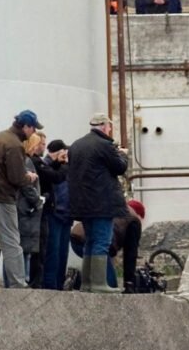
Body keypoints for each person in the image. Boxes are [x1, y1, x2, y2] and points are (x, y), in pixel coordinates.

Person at [0, 110, 42, 288]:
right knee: (11, 241)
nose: (34, 132)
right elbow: (16, 178)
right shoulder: (14, 145)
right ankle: (18, 283)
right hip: (2, 198)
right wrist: (29, 177)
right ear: (26, 126)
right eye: (33, 128)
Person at [68, 113, 128, 293]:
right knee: (102, 241)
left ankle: (87, 284)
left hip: (83, 203)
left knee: (90, 241)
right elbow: (120, 167)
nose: (110, 130)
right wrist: (122, 155)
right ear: (104, 126)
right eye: (109, 127)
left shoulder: (76, 145)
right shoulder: (104, 145)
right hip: (102, 202)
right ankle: (100, 284)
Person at [39, 139, 71, 290]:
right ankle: (50, 285)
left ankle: (58, 284)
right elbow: (55, 181)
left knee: (62, 253)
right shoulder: (46, 166)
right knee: (53, 252)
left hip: (66, 214)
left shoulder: (63, 168)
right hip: (55, 213)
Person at [18, 134, 45, 287]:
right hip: (26, 209)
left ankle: (23, 278)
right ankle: (23, 279)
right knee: (24, 247)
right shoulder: (27, 161)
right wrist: (37, 201)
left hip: (25, 207)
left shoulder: (25, 161)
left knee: (24, 247)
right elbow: (27, 186)